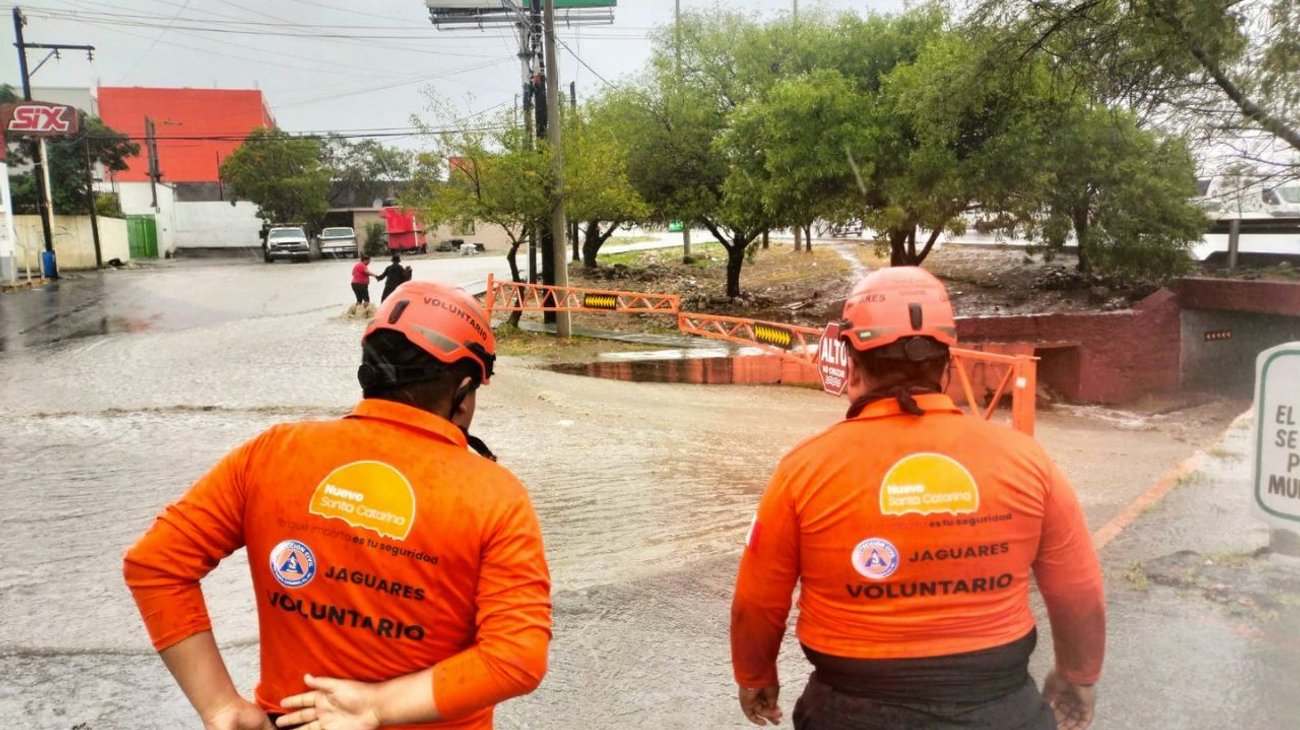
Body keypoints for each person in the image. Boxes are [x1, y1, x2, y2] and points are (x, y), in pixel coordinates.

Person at [123, 281, 552, 730]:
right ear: (463, 392)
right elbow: (515, 658)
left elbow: (155, 565)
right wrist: (375, 706)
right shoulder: (496, 496)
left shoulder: (273, 453)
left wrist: (219, 705)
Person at [730, 267, 1105, 730]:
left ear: (852, 363)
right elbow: (1079, 591)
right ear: (947, 364)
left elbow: (758, 601)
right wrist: (1078, 674)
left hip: (848, 712)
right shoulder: (1028, 461)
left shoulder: (804, 469)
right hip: (1002, 710)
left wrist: (755, 675)